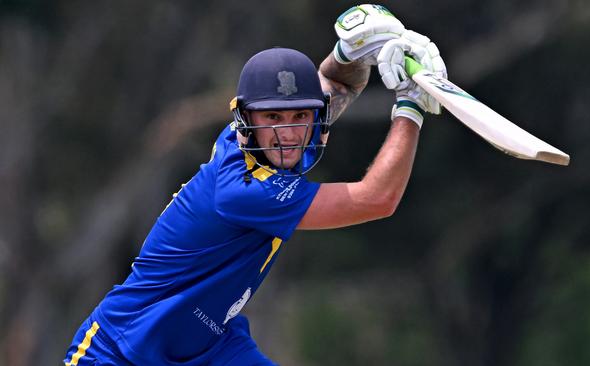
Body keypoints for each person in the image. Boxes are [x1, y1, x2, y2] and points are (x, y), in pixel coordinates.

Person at [63, 4, 447, 366]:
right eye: (273, 117)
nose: (288, 132)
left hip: (207, 344)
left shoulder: (261, 141)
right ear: (247, 120)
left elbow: (331, 82)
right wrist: (409, 106)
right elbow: (377, 199)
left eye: (300, 116)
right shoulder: (245, 191)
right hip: (122, 351)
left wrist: (349, 52)